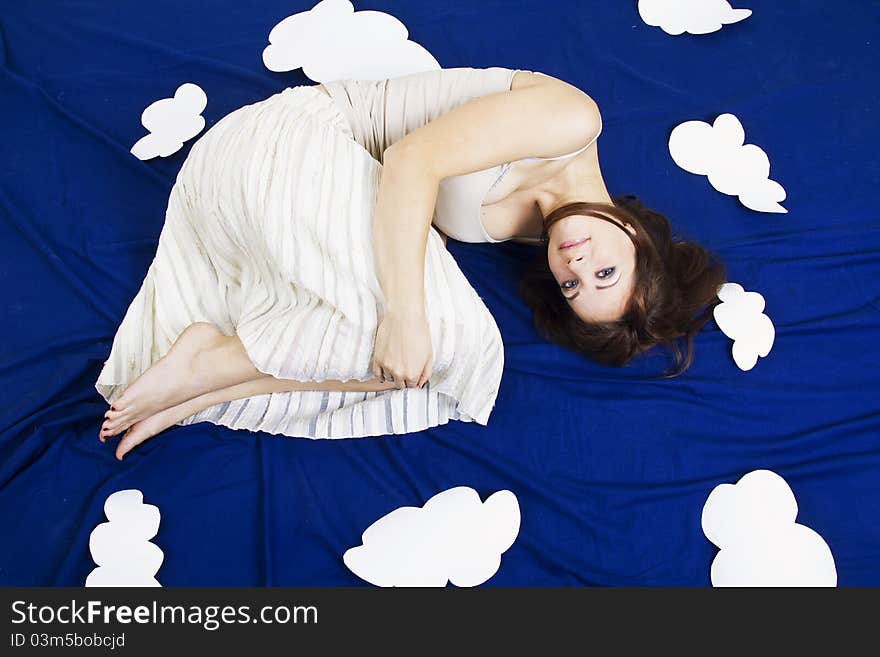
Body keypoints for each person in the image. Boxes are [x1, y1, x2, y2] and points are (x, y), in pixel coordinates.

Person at [96, 67, 724, 459]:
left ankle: (208, 383)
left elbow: (402, 227)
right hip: (289, 139)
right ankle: (209, 360)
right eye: (605, 273)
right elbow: (408, 164)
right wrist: (405, 313)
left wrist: (407, 323)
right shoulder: (572, 120)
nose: (576, 263)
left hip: (300, 189)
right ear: (639, 239)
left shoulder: (539, 234)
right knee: (442, 336)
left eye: (572, 286)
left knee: (443, 363)